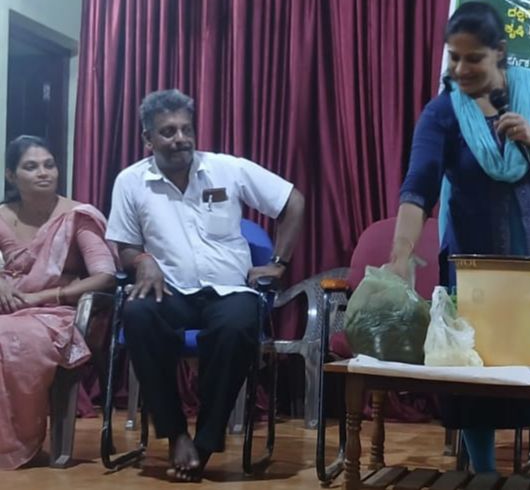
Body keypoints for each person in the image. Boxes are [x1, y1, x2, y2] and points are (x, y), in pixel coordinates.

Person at [388, 1, 530, 480]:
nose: (461, 69)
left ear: (499, 52)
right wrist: (400, 256)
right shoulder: (442, 113)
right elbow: (417, 189)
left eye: (473, 58)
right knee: (473, 371)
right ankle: (482, 476)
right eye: (454, 57)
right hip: (476, 271)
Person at [106, 89, 305, 481]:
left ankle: (206, 441)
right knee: (137, 313)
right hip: (170, 290)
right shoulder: (130, 181)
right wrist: (143, 261)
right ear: (148, 139)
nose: (180, 138)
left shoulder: (227, 169)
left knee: (238, 324)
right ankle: (176, 432)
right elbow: (126, 246)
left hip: (229, 291)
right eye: (168, 131)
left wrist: (279, 263)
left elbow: (292, 201)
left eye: (186, 129)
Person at [0, 135, 117, 469]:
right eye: (31, 166)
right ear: (11, 176)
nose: (43, 172)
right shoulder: (3, 215)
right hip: (9, 307)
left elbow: (105, 276)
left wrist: (43, 296)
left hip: (58, 313)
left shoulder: (76, 216)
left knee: (8, 338)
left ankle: (15, 443)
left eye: (49, 165)